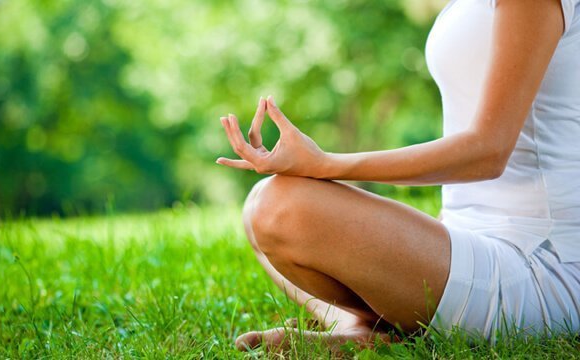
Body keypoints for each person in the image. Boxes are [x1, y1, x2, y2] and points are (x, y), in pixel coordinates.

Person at [216, 0, 580, 352]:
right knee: (258, 211)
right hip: (468, 237)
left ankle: (361, 323)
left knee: (279, 209)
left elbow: (488, 151)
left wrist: (324, 164)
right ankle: (355, 326)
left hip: (539, 266)